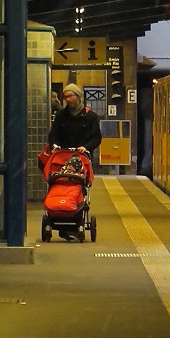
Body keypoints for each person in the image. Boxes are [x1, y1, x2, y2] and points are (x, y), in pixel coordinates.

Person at [45, 84, 102, 241]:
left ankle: (75, 216)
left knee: (78, 186)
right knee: (59, 183)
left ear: (79, 97)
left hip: (81, 158)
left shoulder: (90, 116)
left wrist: (85, 148)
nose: (68, 99)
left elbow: (96, 137)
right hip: (62, 158)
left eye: (71, 96)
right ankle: (60, 212)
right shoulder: (61, 116)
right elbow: (53, 134)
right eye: (66, 97)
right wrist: (54, 146)